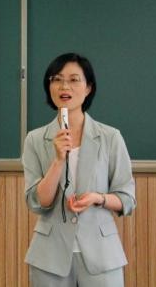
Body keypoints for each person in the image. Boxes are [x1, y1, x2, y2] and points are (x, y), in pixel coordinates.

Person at [22, 53, 136, 287]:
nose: (64, 86)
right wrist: (58, 161)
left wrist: (98, 198)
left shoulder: (110, 137)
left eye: (74, 80)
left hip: (101, 255)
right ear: (49, 87)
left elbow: (127, 199)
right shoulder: (35, 139)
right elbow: (37, 202)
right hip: (50, 256)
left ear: (88, 88)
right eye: (57, 79)